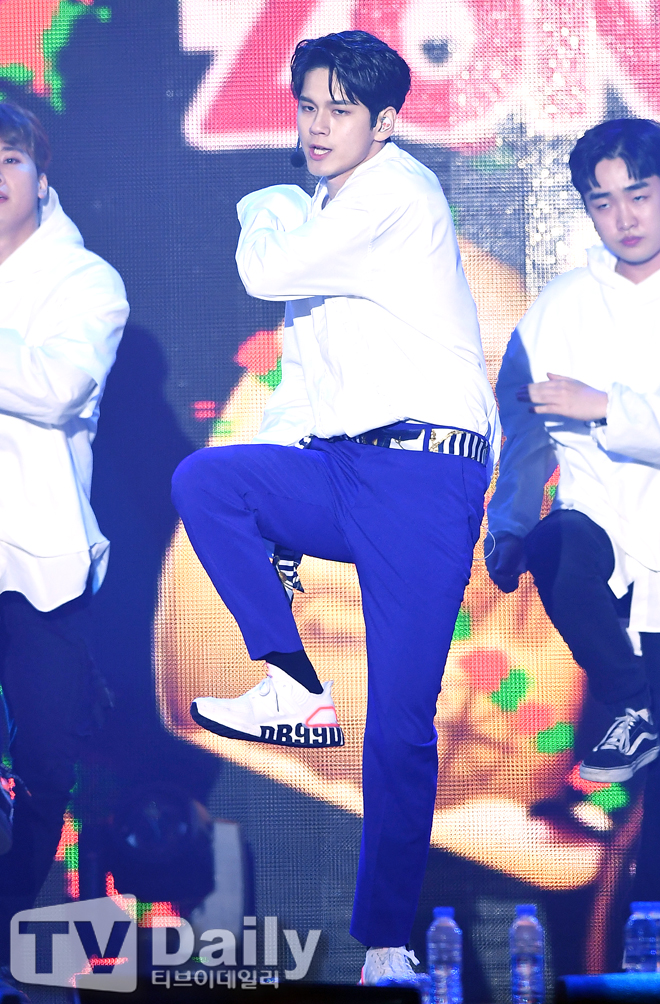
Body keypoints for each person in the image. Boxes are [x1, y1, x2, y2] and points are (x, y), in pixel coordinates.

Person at [171, 29, 498, 985]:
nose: (316, 126)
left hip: (425, 480)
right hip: (346, 467)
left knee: (399, 724)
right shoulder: (325, 213)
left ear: (384, 123)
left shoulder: (396, 192)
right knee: (210, 483)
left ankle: (387, 944)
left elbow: (263, 272)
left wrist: (263, 203)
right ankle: (291, 682)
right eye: (307, 106)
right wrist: (275, 512)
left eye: (339, 111)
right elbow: (305, 385)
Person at [487, 117, 660, 786]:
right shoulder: (558, 308)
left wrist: (608, 406)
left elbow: (596, 408)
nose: (625, 218)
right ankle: (633, 705)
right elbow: (524, 433)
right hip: (603, 529)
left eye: (639, 195)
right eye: (603, 201)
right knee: (556, 543)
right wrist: (510, 529)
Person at [0, 103, 128, 999]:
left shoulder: (87, 282)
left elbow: (55, 387)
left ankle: (14, 915)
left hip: (38, 559)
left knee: (47, 764)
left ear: (41, 178)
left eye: (9, 160)